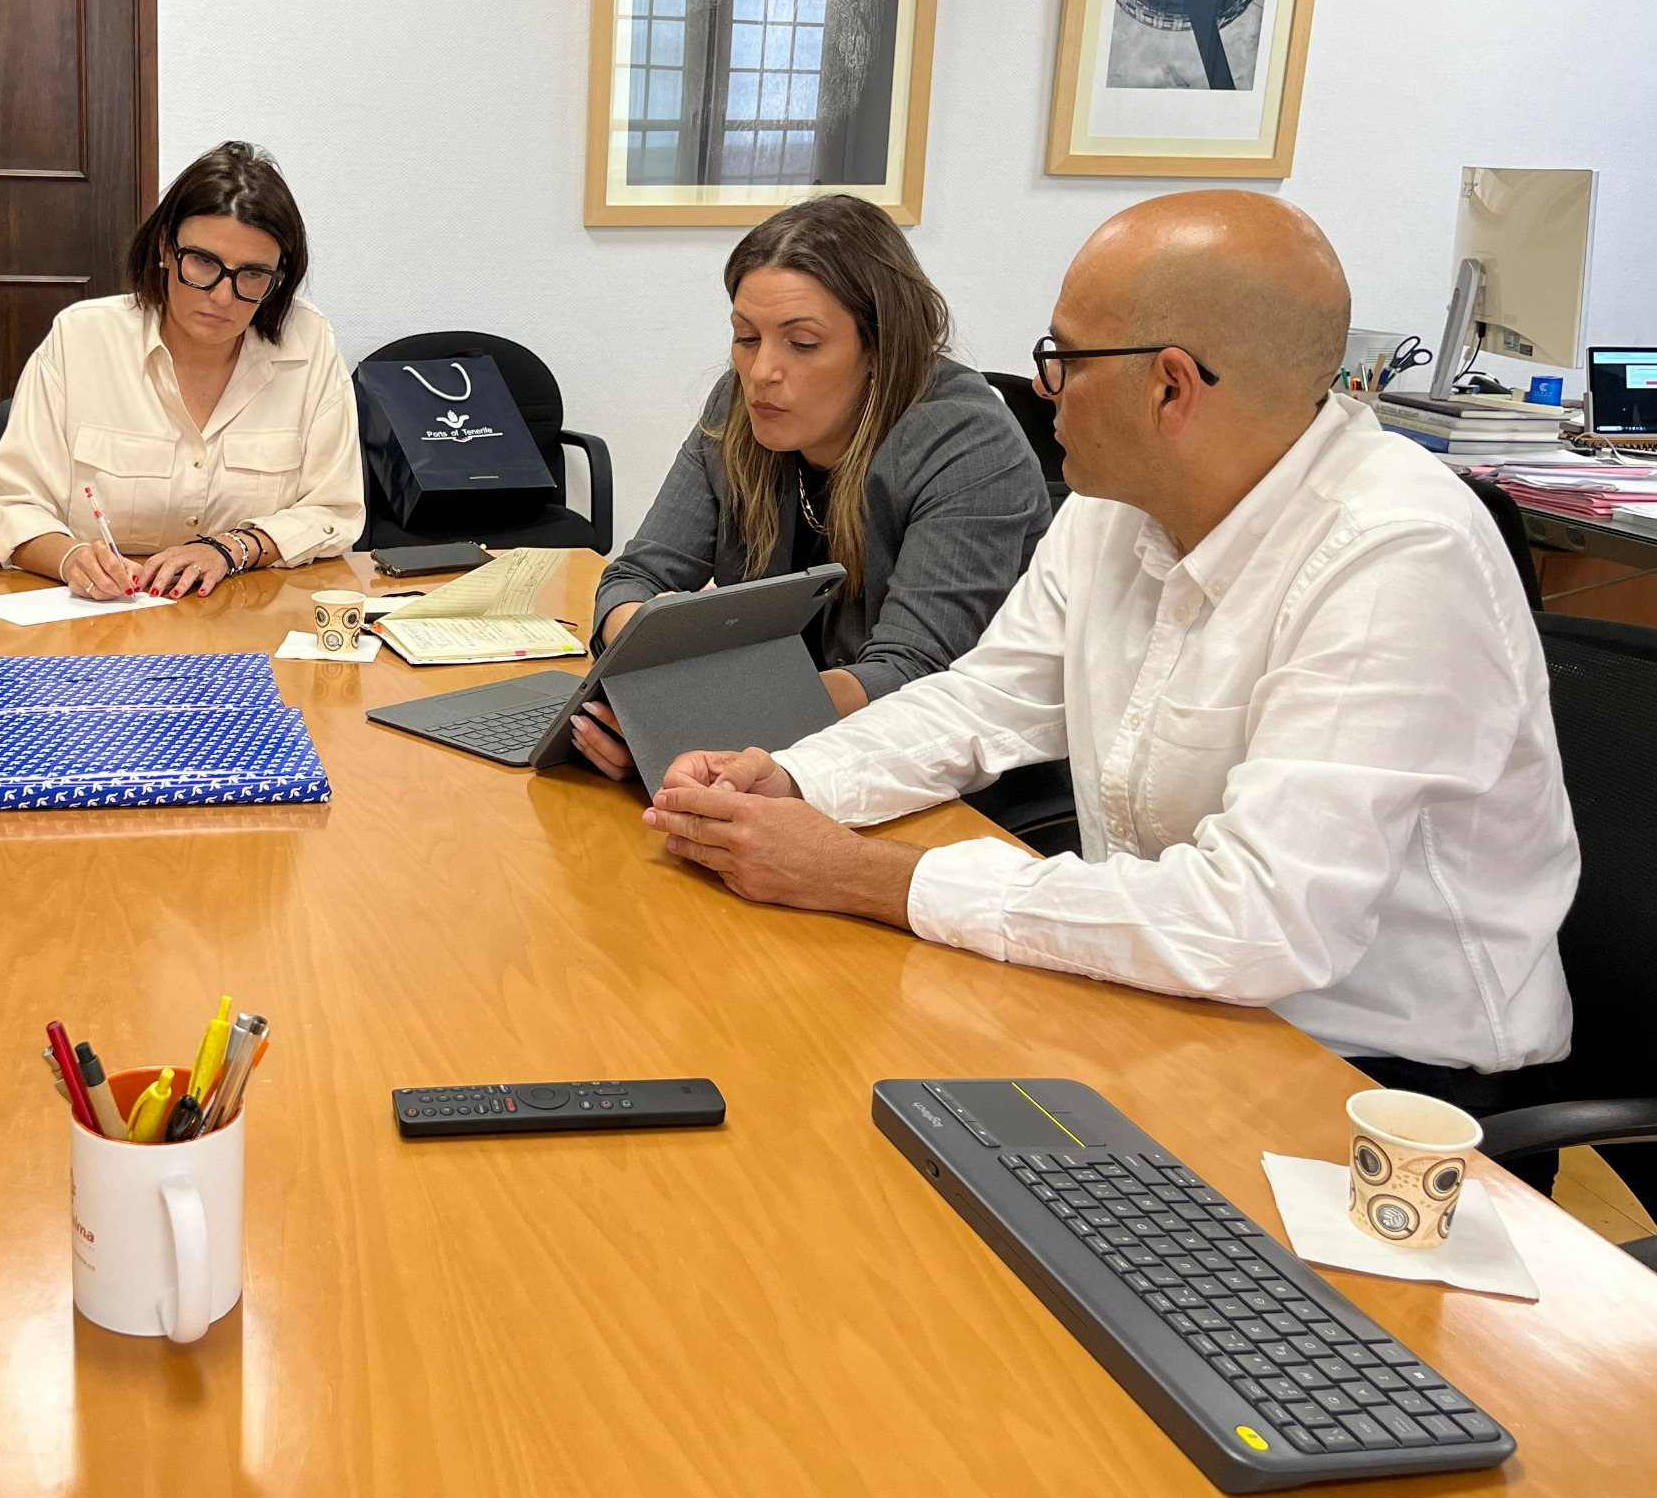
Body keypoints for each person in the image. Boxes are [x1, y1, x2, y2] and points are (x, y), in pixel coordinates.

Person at [642, 191, 1576, 1101]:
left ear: (1170, 385)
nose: (1042, 389)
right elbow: (983, 701)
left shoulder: (1397, 556)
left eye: (1064, 359)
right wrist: (794, 778)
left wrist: (869, 876)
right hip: (1171, 1005)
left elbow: (1256, 923)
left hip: (1378, 1078)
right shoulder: (1111, 508)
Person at [570, 194, 1050, 780]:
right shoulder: (738, 407)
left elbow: (912, 674)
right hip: (777, 762)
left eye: (802, 344)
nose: (761, 372)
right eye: (747, 337)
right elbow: (635, 578)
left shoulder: (967, 444)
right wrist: (643, 702)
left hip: (937, 782)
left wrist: (693, 724)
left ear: (878, 347)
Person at [0, 141, 362, 597]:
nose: (222, 296)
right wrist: (71, 557)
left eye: (253, 274)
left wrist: (229, 549)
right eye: (203, 262)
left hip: (245, 615)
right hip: (103, 620)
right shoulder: (83, 339)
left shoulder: (309, 343)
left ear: (279, 279)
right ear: (165, 248)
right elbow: (4, 508)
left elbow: (334, 510)